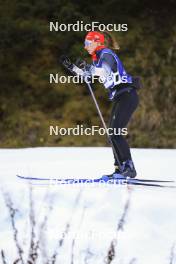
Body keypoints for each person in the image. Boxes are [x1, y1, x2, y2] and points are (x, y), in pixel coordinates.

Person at [83, 31, 139, 178]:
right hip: (120, 97)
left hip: (127, 95)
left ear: (97, 42)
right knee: (112, 133)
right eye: (85, 44)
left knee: (115, 132)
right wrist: (79, 70)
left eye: (88, 43)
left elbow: (104, 71)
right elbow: (94, 73)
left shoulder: (105, 53)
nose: (86, 47)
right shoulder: (98, 59)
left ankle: (128, 167)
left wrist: (89, 70)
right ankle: (120, 168)